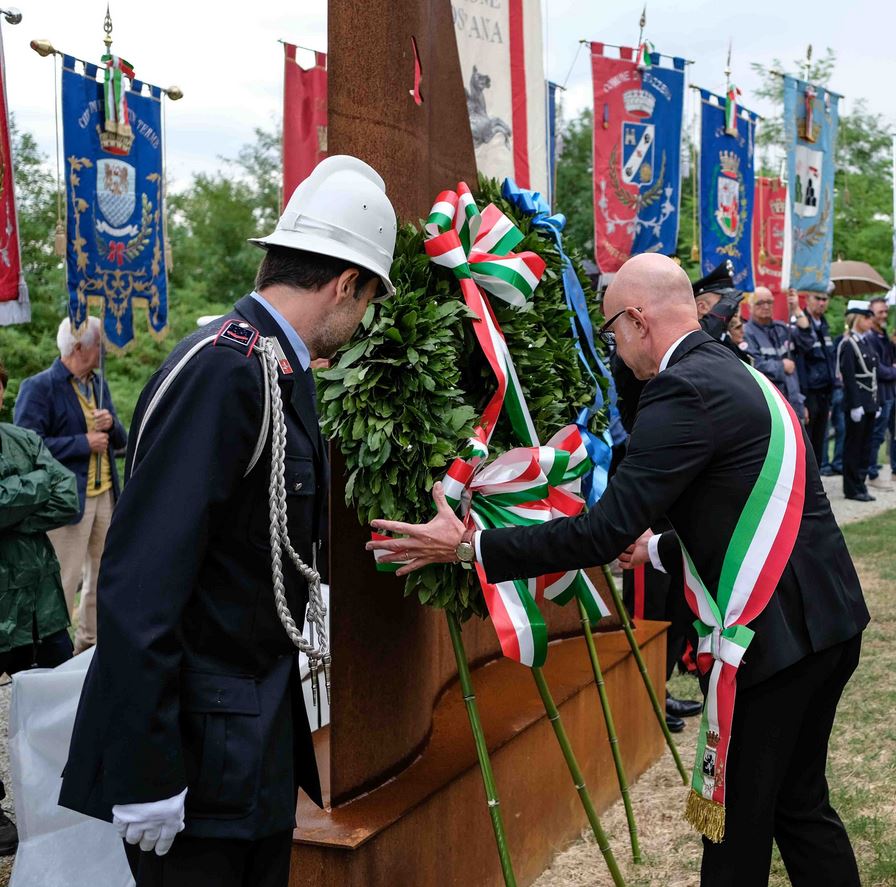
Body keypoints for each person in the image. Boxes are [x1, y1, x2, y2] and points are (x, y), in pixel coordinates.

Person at [370, 253, 868, 887]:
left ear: (636, 319)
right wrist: (656, 550)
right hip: (828, 619)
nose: (614, 348)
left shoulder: (680, 389)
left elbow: (604, 530)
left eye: (611, 331)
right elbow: (733, 497)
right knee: (800, 805)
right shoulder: (727, 368)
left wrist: (472, 547)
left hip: (775, 640)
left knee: (735, 824)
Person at [58, 155, 397, 887]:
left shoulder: (274, 366)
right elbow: (139, 580)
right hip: (194, 762)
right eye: (367, 298)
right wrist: (148, 769)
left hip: (247, 749)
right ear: (345, 284)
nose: (362, 318)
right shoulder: (227, 370)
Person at [0, 357, 80, 856]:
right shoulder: (30, 451)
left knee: (64, 701)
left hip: (42, 605)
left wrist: (10, 507)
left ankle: (65, 795)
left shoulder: (23, 440)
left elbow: (66, 495)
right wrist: (32, 494)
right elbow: (45, 492)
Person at [14, 316, 128, 654]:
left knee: (104, 576)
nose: (103, 351)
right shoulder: (39, 387)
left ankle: (89, 646)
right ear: (79, 348)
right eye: (99, 345)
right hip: (66, 499)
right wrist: (82, 443)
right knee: (64, 578)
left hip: (105, 495)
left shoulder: (98, 383)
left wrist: (111, 425)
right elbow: (29, 445)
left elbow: (118, 442)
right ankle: (53, 654)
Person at [837, 301, 879, 503]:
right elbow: (850, 376)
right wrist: (855, 405)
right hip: (857, 403)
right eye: (867, 317)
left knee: (865, 447)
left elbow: (872, 374)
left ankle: (860, 484)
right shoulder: (848, 344)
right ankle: (851, 488)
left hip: (869, 402)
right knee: (853, 447)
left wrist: (875, 403)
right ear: (857, 318)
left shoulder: (866, 343)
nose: (870, 321)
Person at [743, 287, 806, 421]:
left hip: (794, 404)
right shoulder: (746, 333)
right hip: (771, 407)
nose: (766, 306)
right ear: (750, 306)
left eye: (769, 302)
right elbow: (754, 367)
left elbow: (807, 341)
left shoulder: (782, 328)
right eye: (760, 303)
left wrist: (796, 309)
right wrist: (781, 366)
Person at [791, 287, 837, 466]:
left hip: (825, 392)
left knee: (819, 440)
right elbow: (801, 362)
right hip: (808, 392)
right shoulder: (799, 323)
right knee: (807, 442)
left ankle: (817, 484)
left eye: (825, 299)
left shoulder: (824, 325)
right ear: (807, 299)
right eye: (818, 298)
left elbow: (829, 361)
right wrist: (802, 398)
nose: (822, 302)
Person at [863, 296, 896, 488]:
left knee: (894, 433)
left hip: (892, 392)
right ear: (871, 315)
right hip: (880, 394)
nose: (884, 315)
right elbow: (879, 369)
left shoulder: (886, 336)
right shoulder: (870, 338)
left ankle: (894, 471)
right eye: (880, 312)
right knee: (877, 435)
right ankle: (872, 473)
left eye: (886, 311)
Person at [692, 260, 744, 360]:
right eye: (724, 300)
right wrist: (718, 316)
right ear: (702, 307)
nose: (733, 306)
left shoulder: (724, 337)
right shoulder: (693, 338)